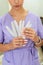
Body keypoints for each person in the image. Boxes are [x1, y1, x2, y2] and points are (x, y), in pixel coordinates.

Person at [0, 0, 43, 65]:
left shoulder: (35, 18)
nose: (16, 1)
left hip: (31, 60)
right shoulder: (2, 20)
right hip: (10, 61)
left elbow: (41, 43)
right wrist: (10, 45)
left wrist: (36, 39)